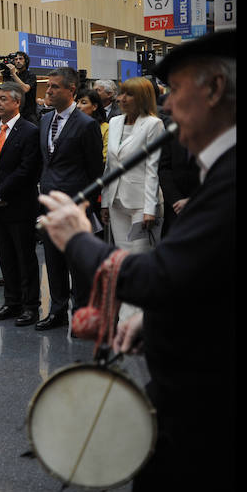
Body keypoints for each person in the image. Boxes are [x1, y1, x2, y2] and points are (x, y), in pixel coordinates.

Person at [36, 29, 235, 492]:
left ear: (215, 90)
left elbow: (157, 275)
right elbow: (207, 278)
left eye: (177, 89)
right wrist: (157, 317)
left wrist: (79, 241)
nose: (166, 105)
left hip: (207, 420)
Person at [35, 67, 104, 331]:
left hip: (76, 206)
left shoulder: (86, 125)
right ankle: (57, 311)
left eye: (54, 87)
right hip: (49, 204)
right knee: (53, 262)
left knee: (78, 265)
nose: (49, 91)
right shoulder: (44, 121)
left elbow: (95, 171)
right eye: (48, 86)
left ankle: (81, 315)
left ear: (71, 90)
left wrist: (86, 206)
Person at [100, 77, 165, 322]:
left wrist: (150, 208)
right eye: (121, 94)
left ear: (142, 98)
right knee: (123, 261)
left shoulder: (153, 124)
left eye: (128, 95)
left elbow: (152, 168)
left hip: (141, 206)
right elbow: (109, 165)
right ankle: (127, 318)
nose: (121, 99)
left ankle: (136, 320)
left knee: (139, 260)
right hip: (116, 202)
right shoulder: (114, 121)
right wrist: (105, 201)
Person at [0, 82, 42, 327]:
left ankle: (30, 306)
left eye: (3, 99)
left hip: (19, 204)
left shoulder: (29, 131)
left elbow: (28, 169)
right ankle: (11, 301)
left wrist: (0, 191)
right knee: (5, 256)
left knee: (25, 258)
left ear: (17, 102)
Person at [157, 133, 199, 238]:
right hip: (174, 208)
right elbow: (164, 169)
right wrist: (176, 200)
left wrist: (193, 200)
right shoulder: (172, 133)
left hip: (203, 208)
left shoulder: (216, 132)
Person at [2, 51, 38, 123]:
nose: (18, 61)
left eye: (20, 59)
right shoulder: (13, 76)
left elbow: (25, 89)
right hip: (15, 114)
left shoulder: (31, 75)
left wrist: (13, 74)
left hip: (29, 115)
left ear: (26, 61)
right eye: (16, 59)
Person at [75, 87, 109, 163]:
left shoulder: (106, 128)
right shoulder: (72, 126)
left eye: (83, 103)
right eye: (77, 102)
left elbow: (104, 156)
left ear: (94, 107)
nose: (78, 106)